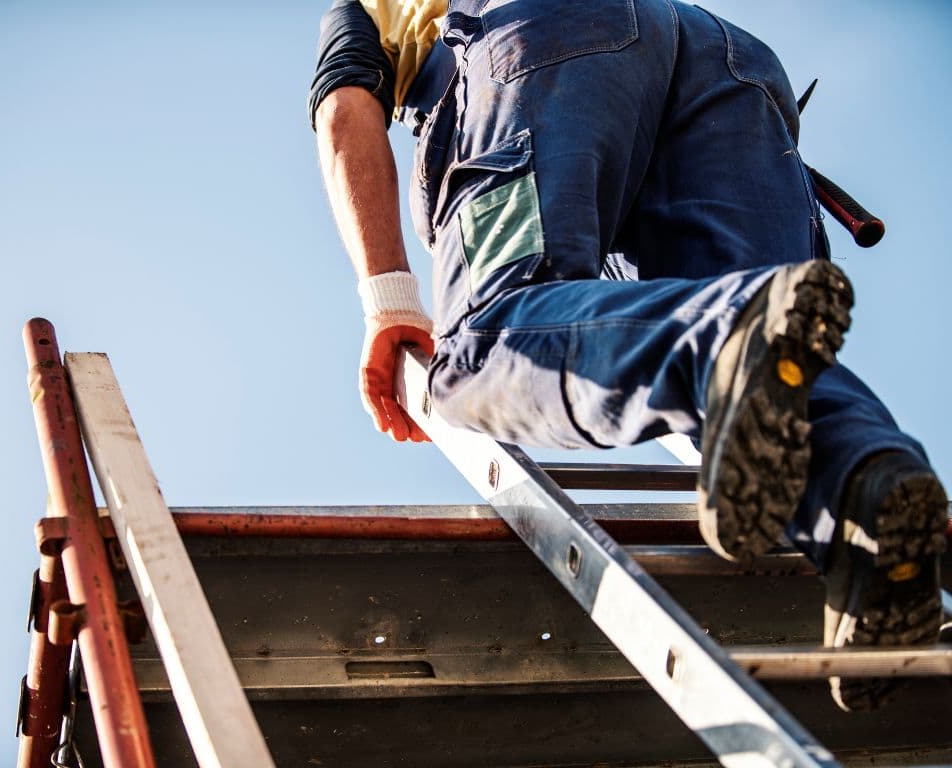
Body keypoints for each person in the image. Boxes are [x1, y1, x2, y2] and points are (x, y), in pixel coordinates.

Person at [309, 0, 947, 711]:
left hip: (542, 41)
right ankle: (875, 512)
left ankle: (720, 337)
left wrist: (389, 301)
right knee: (772, 362)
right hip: (725, 64)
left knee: (486, 342)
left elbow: (343, 107)